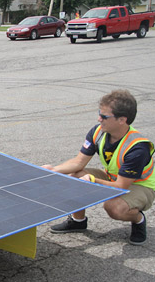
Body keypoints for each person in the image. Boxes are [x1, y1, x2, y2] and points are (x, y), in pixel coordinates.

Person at [43, 90, 155, 245]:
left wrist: (93, 180)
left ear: (122, 120)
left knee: (114, 207)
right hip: (114, 177)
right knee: (74, 178)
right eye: (99, 114)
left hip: (140, 185)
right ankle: (78, 221)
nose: (99, 118)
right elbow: (79, 162)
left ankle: (138, 219)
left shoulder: (137, 148)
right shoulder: (98, 131)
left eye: (104, 116)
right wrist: (53, 170)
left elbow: (121, 186)